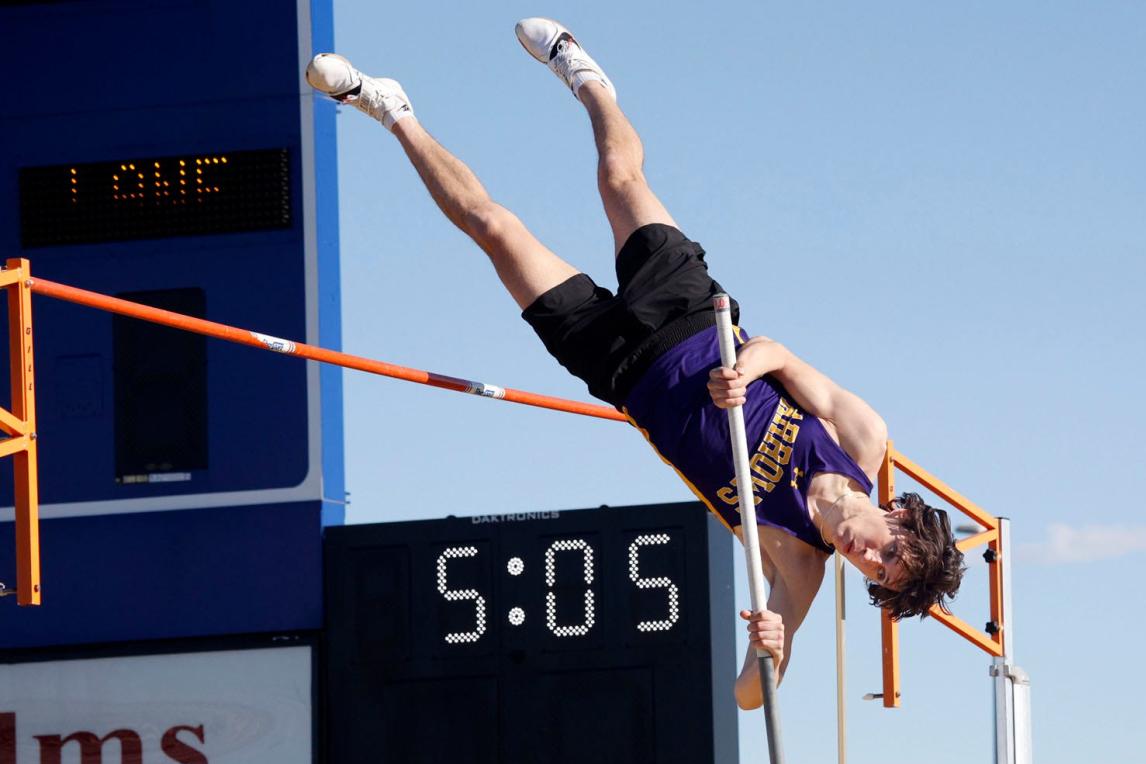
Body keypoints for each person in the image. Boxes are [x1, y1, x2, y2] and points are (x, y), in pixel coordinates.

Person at [305, 17, 964, 710]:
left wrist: (767, 651)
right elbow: (786, 358)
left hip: (621, 370)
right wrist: (747, 368)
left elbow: (747, 698)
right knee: (618, 174)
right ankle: (584, 74)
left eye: (879, 576)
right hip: (687, 313)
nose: (870, 559)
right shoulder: (863, 439)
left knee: (493, 229)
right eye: (890, 553)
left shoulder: (797, 565)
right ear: (898, 521)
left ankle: (386, 109)